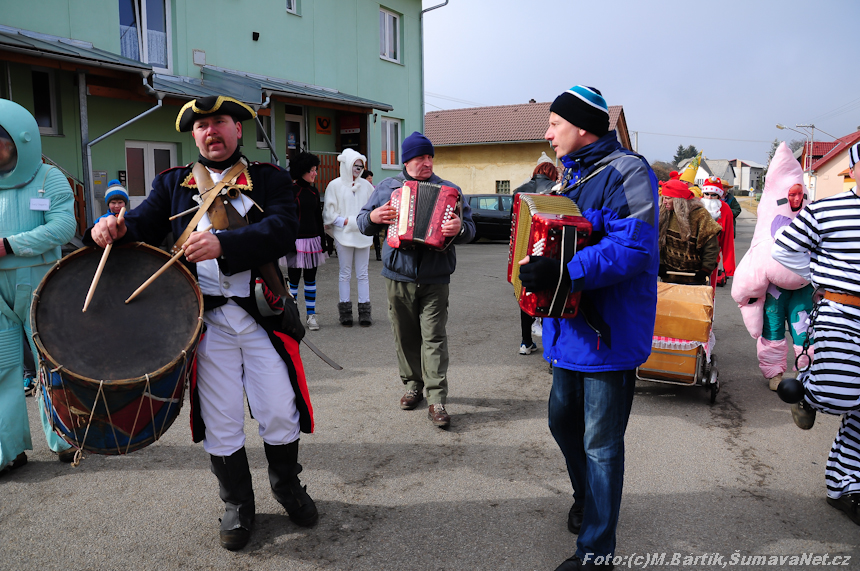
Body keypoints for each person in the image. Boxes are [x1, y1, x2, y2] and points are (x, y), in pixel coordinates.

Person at [88, 95, 317, 550]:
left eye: (220, 123)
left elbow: (282, 229)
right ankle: (237, 503)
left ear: (237, 129)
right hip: (205, 321)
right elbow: (139, 225)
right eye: (202, 126)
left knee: (277, 408)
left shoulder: (268, 179)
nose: (211, 131)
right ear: (193, 135)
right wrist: (110, 229)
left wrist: (225, 243)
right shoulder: (172, 184)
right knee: (221, 417)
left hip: (260, 317)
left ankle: (287, 486)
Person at [517, 85, 659, 570]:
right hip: (567, 335)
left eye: (554, 123)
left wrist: (565, 270)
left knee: (600, 445)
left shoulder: (630, 171)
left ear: (581, 127)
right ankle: (589, 499)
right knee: (561, 423)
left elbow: (634, 248)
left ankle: (596, 553)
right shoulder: (565, 181)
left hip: (607, 334)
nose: (547, 132)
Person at [357, 131, 476, 429]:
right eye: (421, 157)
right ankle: (413, 385)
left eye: (430, 156)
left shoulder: (451, 190)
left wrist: (459, 228)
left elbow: (471, 228)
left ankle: (437, 399)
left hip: (436, 277)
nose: (427, 162)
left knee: (434, 336)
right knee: (405, 335)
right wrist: (373, 219)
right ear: (407, 160)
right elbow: (362, 222)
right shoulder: (386, 188)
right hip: (398, 275)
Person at [771, 142, 860, 527]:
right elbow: (785, 250)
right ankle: (808, 388)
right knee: (840, 393)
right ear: (854, 171)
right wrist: (822, 277)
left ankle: (846, 486)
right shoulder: (825, 210)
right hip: (841, 311)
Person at [0, 99, 77, 473]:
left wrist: (8, 245)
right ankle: (7, 450)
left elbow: (64, 227)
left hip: (41, 284)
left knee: (51, 362)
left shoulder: (50, 178)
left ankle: (64, 438)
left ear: (20, 141)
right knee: (2, 367)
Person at [732, 142, 813, 391]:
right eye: (791, 194)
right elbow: (756, 254)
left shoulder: (812, 218)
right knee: (773, 330)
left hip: (803, 288)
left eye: (800, 194)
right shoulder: (769, 219)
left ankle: (806, 373)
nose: (797, 198)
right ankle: (774, 373)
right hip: (775, 290)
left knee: (804, 330)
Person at [513, 156, 559, 355]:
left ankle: (525, 342)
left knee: (526, 293)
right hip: (547, 250)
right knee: (550, 296)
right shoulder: (556, 190)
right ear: (552, 174)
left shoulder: (518, 191)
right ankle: (552, 349)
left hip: (522, 250)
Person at [323, 149, 375, 327]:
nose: (358, 169)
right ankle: (345, 313)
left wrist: (361, 223)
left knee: (363, 273)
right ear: (346, 165)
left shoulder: (367, 186)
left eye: (361, 166)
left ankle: (364, 312)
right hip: (344, 235)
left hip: (362, 234)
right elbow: (329, 214)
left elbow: (372, 209)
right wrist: (348, 221)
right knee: (344, 273)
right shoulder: (334, 185)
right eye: (355, 165)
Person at [280, 152, 326, 331]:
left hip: (312, 242)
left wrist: (323, 241)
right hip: (296, 242)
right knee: (293, 280)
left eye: (316, 170)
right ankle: (293, 315)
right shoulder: (292, 192)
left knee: (310, 279)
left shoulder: (314, 191)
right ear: (301, 171)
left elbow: (318, 218)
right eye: (312, 171)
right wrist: (288, 241)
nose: (315, 174)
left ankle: (311, 315)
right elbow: (286, 219)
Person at [658, 179, 721, 285]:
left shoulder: (700, 215)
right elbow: (658, 242)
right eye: (663, 197)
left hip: (694, 278)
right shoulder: (664, 214)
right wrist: (660, 264)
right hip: (669, 277)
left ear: (679, 200)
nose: (664, 201)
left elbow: (711, 246)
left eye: (668, 198)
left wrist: (706, 269)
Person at [700, 176, 736, 290]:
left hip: (712, 258)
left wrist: (729, 267)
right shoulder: (696, 206)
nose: (709, 197)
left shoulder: (725, 209)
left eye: (713, 195)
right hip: (692, 257)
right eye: (707, 194)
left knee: (709, 291)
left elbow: (728, 239)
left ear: (719, 195)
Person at [362, 169, 383, 261]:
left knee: (376, 235)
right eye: (368, 178)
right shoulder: (361, 188)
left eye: (371, 178)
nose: (370, 180)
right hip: (364, 214)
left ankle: (378, 254)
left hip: (373, 213)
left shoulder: (374, 188)